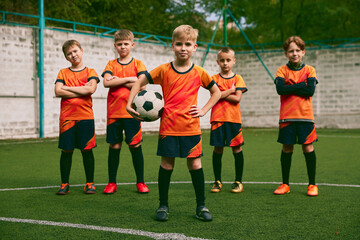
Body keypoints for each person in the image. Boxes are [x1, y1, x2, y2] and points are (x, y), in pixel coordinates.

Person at [126, 25, 221, 221]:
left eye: (188, 44)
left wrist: (203, 110)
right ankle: (163, 206)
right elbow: (139, 81)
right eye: (179, 44)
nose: (183, 48)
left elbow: (216, 92)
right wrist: (129, 104)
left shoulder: (199, 72)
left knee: (195, 165)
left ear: (195, 47)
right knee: (167, 165)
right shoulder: (164, 70)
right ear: (172, 46)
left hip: (191, 128)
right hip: (168, 128)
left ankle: (201, 206)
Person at [102, 29, 149, 194]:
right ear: (115, 46)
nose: (122, 47)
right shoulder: (111, 64)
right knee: (114, 146)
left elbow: (142, 85)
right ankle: (111, 183)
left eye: (126, 44)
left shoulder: (138, 64)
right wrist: (131, 80)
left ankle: (141, 182)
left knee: (135, 146)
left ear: (132, 45)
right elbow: (106, 83)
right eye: (119, 44)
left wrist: (119, 81)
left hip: (133, 113)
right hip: (114, 113)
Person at [273, 36, 319, 197]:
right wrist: (301, 85)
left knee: (308, 147)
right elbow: (280, 90)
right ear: (286, 53)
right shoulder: (281, 70)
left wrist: (290, 86)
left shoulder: (310, 70)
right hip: (287, 117)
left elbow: (310, 91)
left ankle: (312, 184)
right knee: (287, 148)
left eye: (297, 50)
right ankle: (285, 184)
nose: (294, 53)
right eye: (291, 51)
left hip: (306, 117)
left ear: (303, 52)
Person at [54, 40, 99, 195]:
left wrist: (67, 88)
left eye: (75, 51)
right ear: (66, 57)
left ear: (81, 50)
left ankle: (90, 183)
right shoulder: (63, 72)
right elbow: (58, 91)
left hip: (85, 117)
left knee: (87, 150)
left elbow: (91, 89)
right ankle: (64, 183)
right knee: (66, 150)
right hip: (67, 118)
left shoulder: (91, 71)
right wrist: (82, 89)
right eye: (69, 54)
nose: (73, 55)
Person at [209, 47, 247, 194]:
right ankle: (217, 181)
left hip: (233, 120)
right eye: (222, 60)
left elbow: (237, 99)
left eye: (228, 60)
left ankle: (238, 181)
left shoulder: (238, 78)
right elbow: (214, 95)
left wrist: (221, 93)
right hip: (217, 119)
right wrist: (230, 90)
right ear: (218, 62)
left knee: (236, 148)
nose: (225, 63)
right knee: (218, 149)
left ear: (234, 61)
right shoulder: (213, 79)